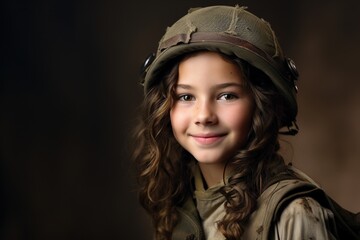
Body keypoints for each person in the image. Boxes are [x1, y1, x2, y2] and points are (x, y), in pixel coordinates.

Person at [133, 5, 360, 240]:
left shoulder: (294, 214)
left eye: (226, 96)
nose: (204, 116)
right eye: (185, 97)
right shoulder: (178, 205)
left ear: (261, 105)